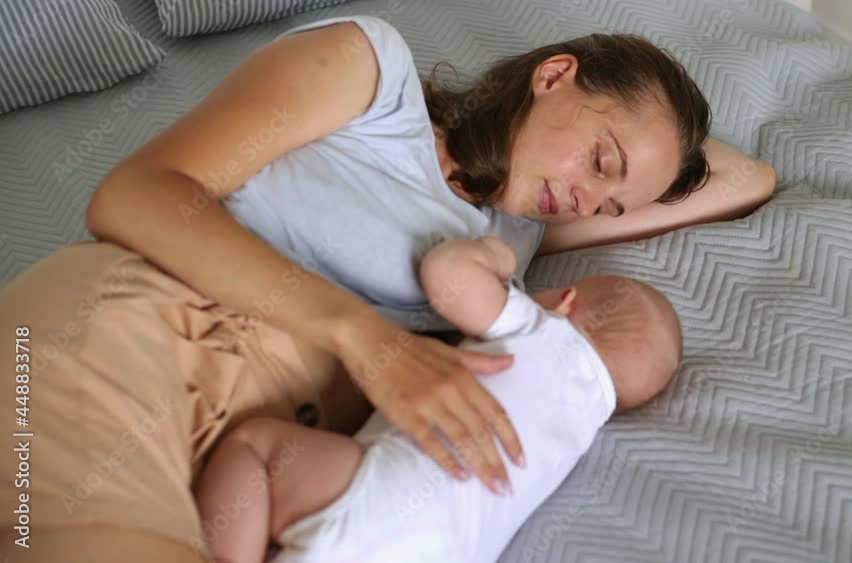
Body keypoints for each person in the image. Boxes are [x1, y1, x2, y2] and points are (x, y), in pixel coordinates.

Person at [0, 13, 774, 563]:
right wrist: (366, 341)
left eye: (611, 205)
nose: (587, 201)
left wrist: (635, 165)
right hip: (125, 341)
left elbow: (748, 179)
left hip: (234, 451)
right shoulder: (370, 74)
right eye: (600, 161)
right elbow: (133, 193)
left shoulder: (511, 238)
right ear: (554, 74)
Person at [195, 236, 682, 563]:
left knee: (256, 446)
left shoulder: (541, 330)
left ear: (567, 299)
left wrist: (498, 258)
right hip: (444, 550)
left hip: (374, 491)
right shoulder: (584, 426)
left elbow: (445, 273)